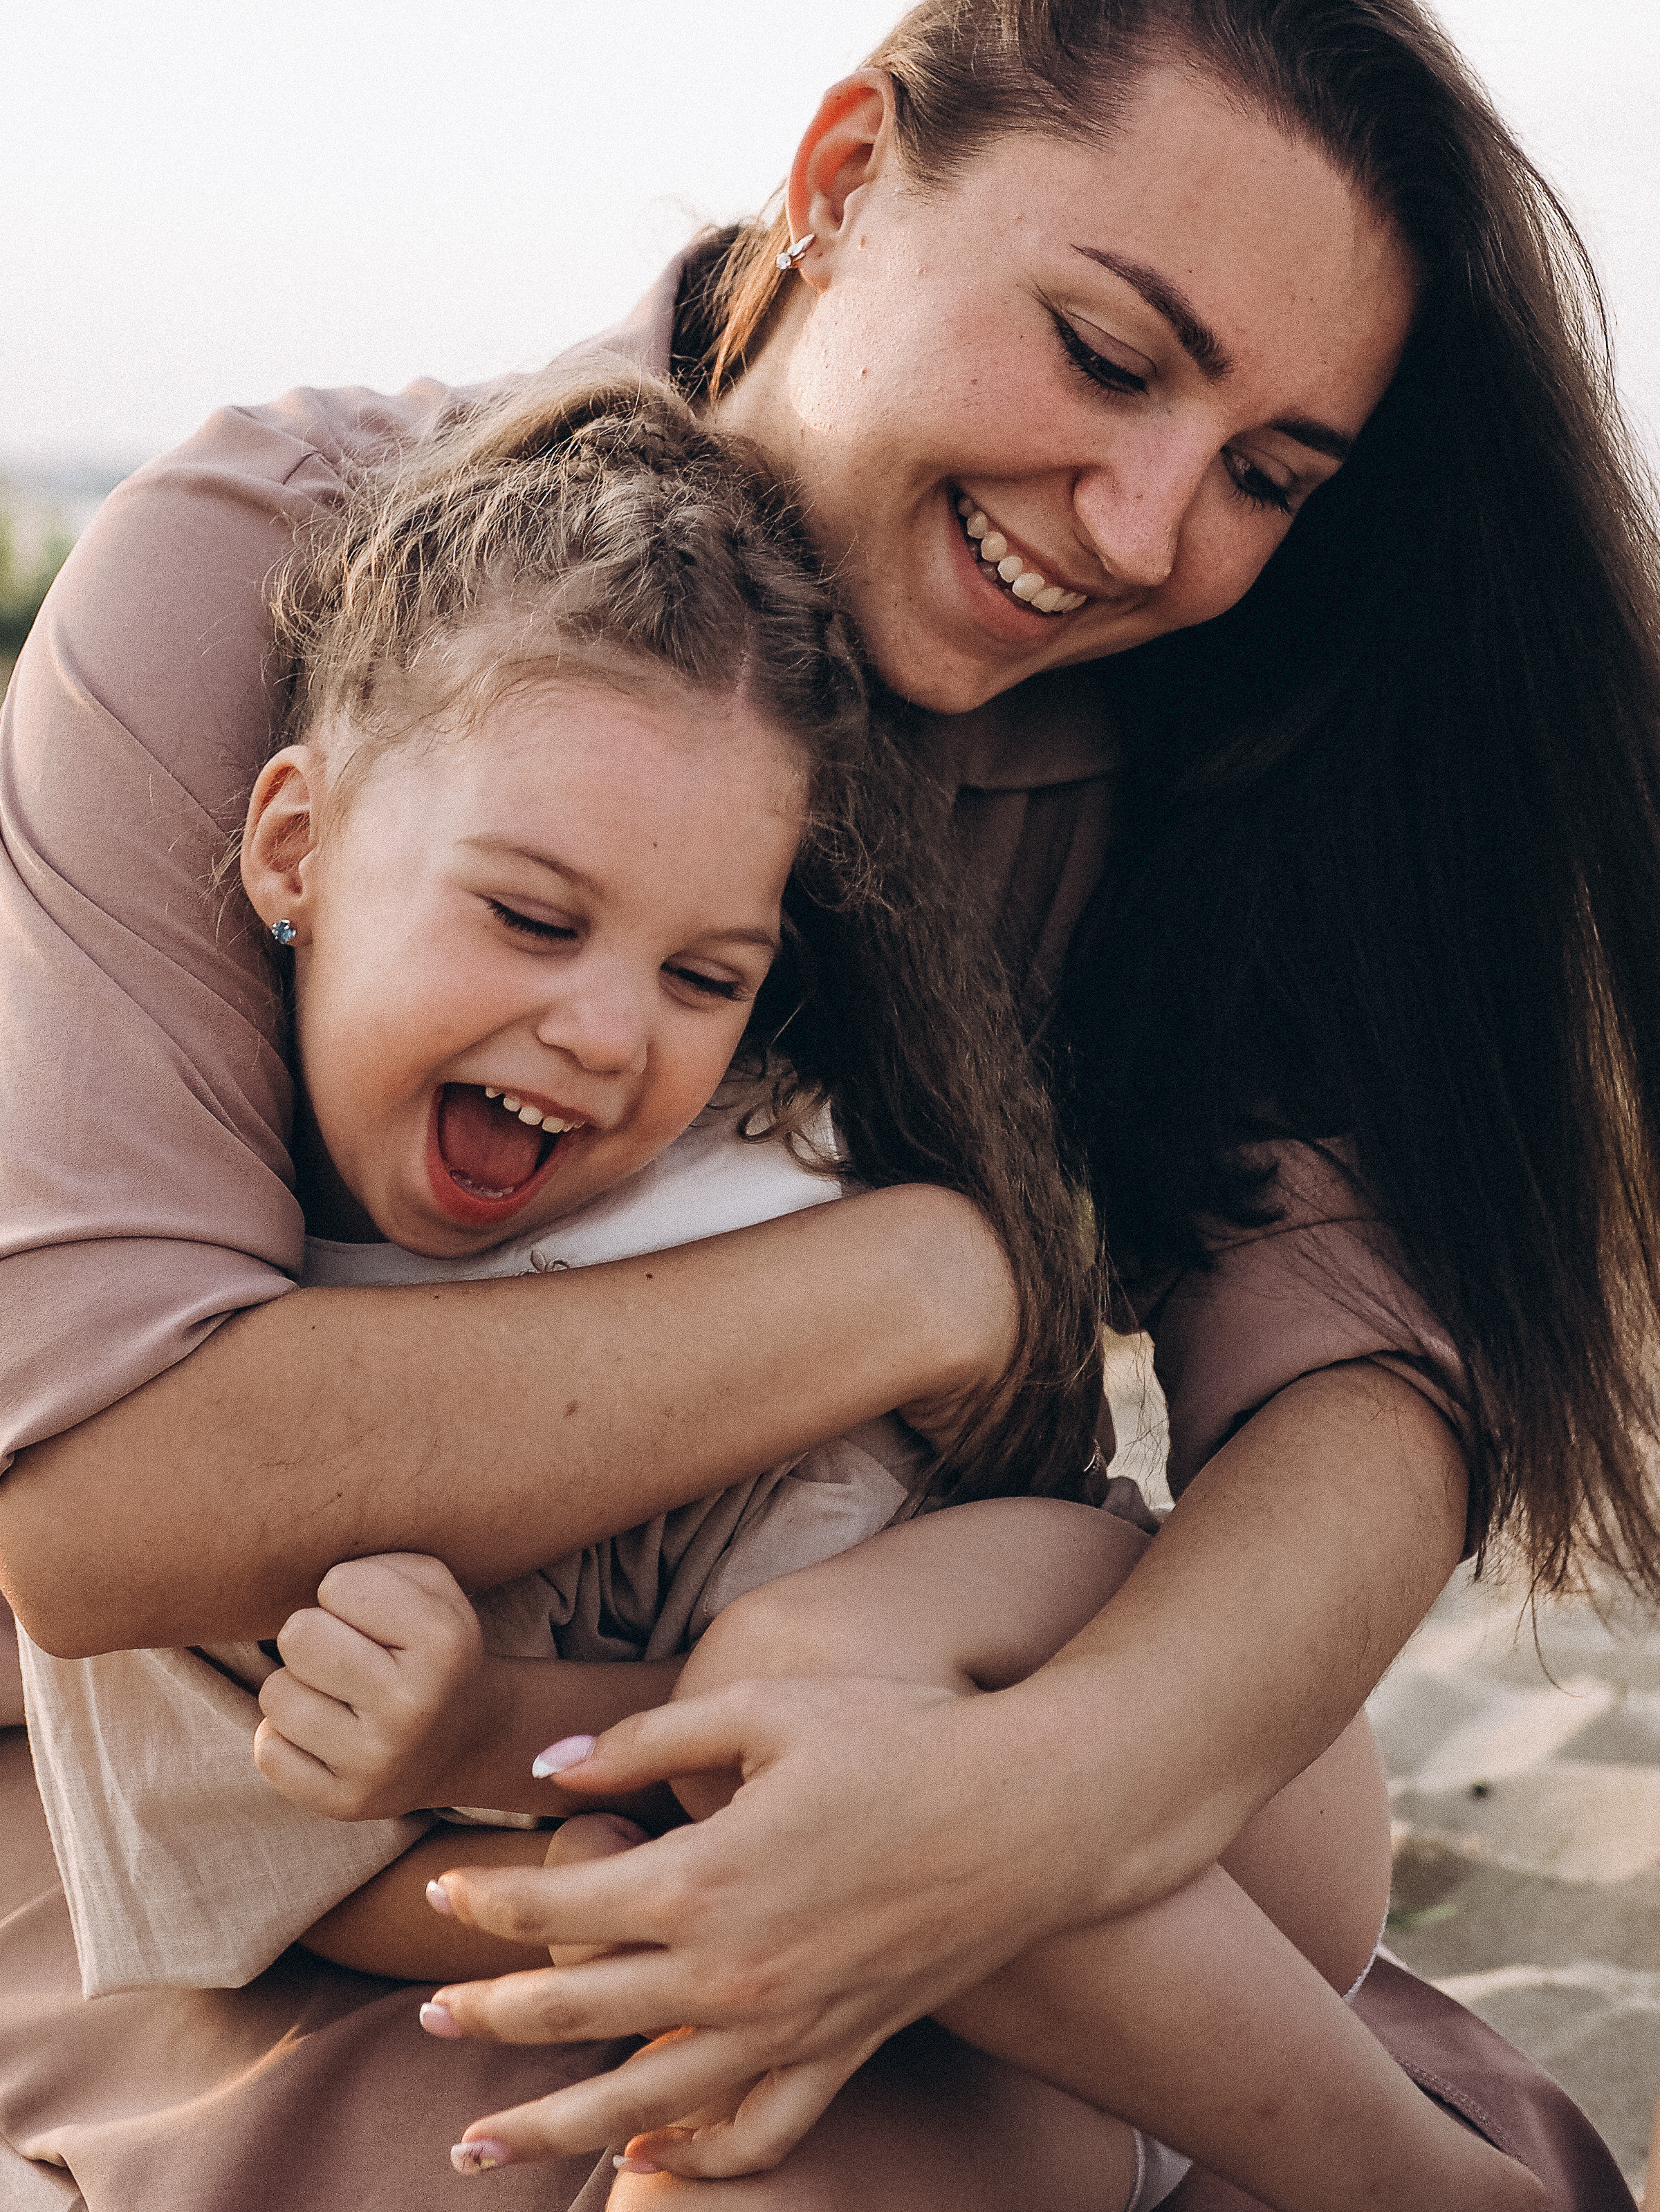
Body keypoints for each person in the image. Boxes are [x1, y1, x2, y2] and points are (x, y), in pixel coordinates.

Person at [1, 1, 1654, 2206]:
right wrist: (922, 1281)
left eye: (1271, 474)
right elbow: (100, 1500)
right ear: (845, 169)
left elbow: (1358, 1404)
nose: (1154, 526)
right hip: (295, 1836)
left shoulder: (1215, 736)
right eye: (1105, 352)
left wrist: (1022, 1814)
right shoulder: (280, 567)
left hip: (940, 1759)